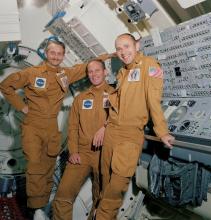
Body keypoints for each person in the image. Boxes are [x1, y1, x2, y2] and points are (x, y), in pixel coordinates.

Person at [0, 37, 112, 220]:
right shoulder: (31, 73)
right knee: (35, 165)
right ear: (46, 53)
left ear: (63, 55)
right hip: (33, 125)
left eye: (59, 54)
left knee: (49, 165)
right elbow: (6, 86)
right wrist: (21, 107)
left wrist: (112, 54)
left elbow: (87, 67)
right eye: (52, 52)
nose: (56, 56)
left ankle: (41, 207)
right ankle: (36, 207)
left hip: (51, 126)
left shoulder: (65, 74)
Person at [95, 33, 175, 220]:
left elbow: (153, 100)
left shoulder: (149, 65)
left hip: (130, 135)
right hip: (112, 133)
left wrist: (162, 131)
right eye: (119, 49)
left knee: (115, 189)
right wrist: (111, 55)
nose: (123, 52)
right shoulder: (122, 71)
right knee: (104, 181)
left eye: (127, 46)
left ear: (137, 45)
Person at [52, 59, 114, 220]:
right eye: (90, 71)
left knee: (101, 201)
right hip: (82, 153)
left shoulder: (116, 95)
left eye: (97, 70)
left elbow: (124, 119)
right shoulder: (80, 99)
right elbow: (72, 127)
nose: (93, 74)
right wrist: (73, 152)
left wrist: (105, 127)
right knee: (62, 197)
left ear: (105, 72)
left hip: (106, 154)